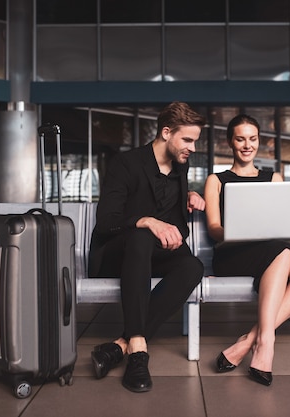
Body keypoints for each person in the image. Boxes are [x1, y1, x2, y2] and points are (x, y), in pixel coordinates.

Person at [88, 101, 207, 393]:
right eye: (188, 140)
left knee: (193, 265)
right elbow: (105, 221)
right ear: (166, 132)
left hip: (154, 254)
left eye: (195, 141)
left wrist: (190, 196)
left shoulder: (180, 164)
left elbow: (173, 216)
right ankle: (138, 353)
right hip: (117, 253)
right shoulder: (126, 163)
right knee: (141, 236)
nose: (192, 147)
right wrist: (147, 221)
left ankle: (119, 346)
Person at [203, 114, 290, 387]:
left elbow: (280, 223)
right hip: (232, 253)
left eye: (252, 139)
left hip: (271, 249)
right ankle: (266, 344)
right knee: (283, 254)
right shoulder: (216, 179)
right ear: (230, 142)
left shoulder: (274, 178)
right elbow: (213, 227)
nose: (247, 145)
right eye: (240, 139)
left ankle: (248, 341)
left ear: (259, 142)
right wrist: (237, 231)